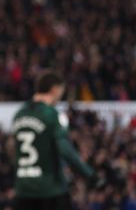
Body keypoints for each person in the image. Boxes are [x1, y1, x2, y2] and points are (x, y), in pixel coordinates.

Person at [10, 71, 101, 210]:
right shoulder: (52, 115)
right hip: (50, 190)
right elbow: (65, 149)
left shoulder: (19, 114)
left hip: (23, 189)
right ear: (55, 89)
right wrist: (89, 174)